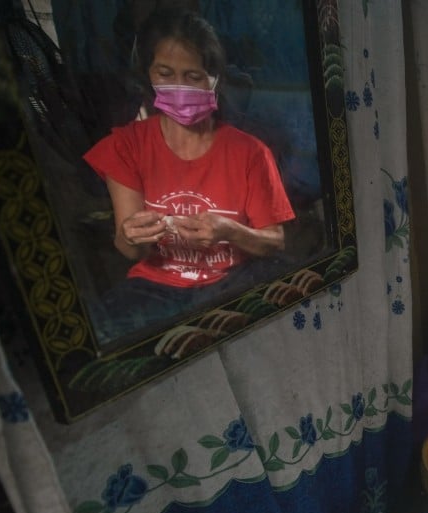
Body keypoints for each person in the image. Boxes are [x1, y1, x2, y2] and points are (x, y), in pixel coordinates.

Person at [84, 7, 294, 341]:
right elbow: (130, 250)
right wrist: (131, 235)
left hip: (233, 279)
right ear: (148, 75)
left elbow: (275, 241)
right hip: (156, 287)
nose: (178, 87)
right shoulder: (126, 147)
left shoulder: (250, 152)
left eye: (193, 77)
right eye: (165, 73)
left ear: (215, 79)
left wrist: (230, 231)